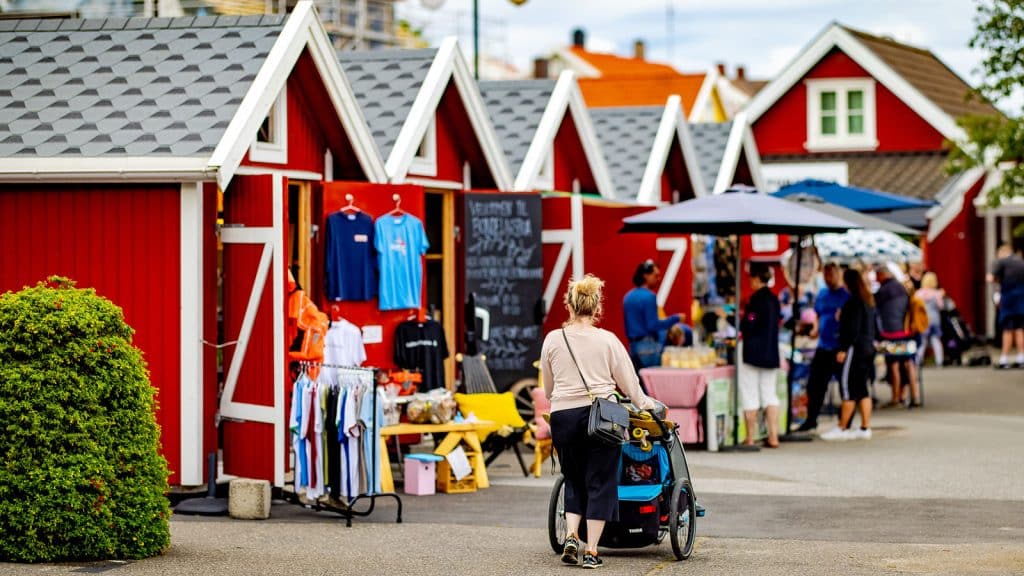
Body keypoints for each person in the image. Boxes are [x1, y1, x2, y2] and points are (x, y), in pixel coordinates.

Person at [541, 274, 661, 569]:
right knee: (601, 481)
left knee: (573, 478)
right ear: (597, 309)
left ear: (569, 305)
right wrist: (649, 405)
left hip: (563, 416)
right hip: (603, 417)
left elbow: (547, 388)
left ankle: (571, 536)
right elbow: (630, 386)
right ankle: (592, 550)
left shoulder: (553, 339)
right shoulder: (608, 341)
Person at [821, 268, 876, 441]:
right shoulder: (868, 300)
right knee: (863, 389)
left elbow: (852, 328)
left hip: (854, 349)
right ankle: (865, 427)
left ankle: (842, 427)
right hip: (867, 348)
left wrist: (843, 348)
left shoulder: (852, 303)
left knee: (848, 387)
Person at [796, 263, 849, 432]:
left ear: (838, 274)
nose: (828, 279)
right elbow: (818, 316)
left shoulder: (845, 296)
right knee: (815, 385)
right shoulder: (823, 294)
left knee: (844, 384)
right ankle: (811, 418)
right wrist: (814, 329)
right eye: (825, 275)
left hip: (838, 346)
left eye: (831, 275)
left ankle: (845, 420)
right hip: (823, 345)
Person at [738, 263, 781, 448]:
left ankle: (750, 437)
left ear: (756, 279)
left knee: (750, 393)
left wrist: (745, 321)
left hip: (753, 353)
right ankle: (773, 436)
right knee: (770, 394)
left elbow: (750, 321)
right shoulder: (774, 299)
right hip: (771, 352)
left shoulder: (755, 300)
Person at [623, 259, 685, 372]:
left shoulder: (628, 297)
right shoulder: (649, 296)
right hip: (649, 348)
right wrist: (676, 318)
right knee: (653, 384)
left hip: (633, 347)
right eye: (655, 275)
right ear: (646, 275)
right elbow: (653, 325)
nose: (658, 279)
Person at [874, 263, 919, 407]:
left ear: (882, 275)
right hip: (907, 332)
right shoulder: (903, 288)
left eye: (877, 276)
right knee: (908, 363)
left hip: (890, 334)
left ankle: (895, 397)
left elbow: (876, 312)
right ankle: (914, 395)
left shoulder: (882, 291)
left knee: (893, 365)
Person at [987, 244, 1024, 369]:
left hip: (1008, 299)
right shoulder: (1021, 262)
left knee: (1007, 329)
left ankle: (1004, 358)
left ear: (1002, 253)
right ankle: (1021, 357)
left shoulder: (1002, 262)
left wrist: (1000, 280)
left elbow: (990, 278)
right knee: (1019, 329)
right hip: (1021, 300)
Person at [914, 272, 945, 367]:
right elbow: (941, 306)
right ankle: (939, 361)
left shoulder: (918, 293)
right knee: (935, 340)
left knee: (922, 341)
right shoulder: (937, 294)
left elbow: (915, 306)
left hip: (923, 320)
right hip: (935, 319)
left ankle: (917, 360)